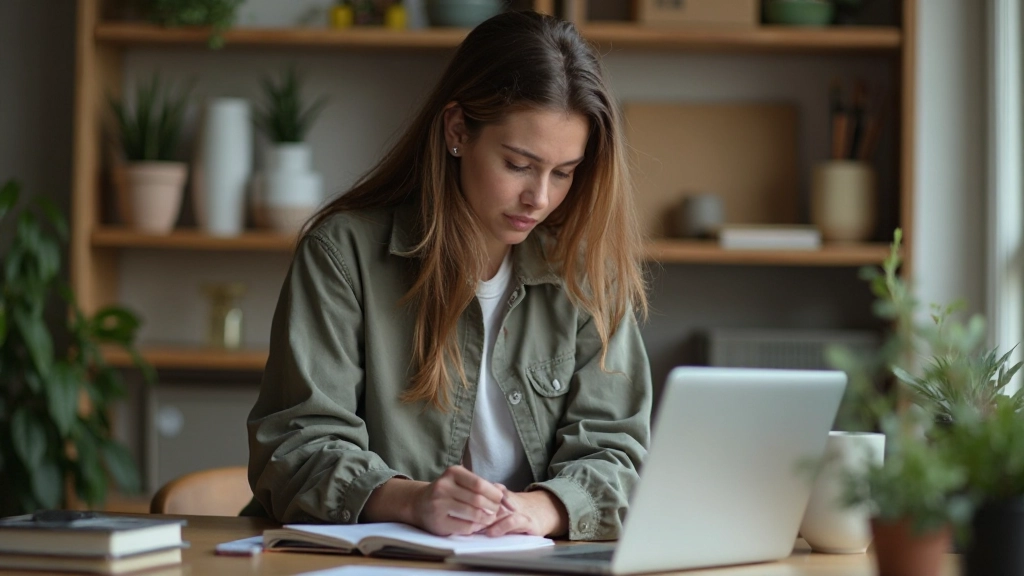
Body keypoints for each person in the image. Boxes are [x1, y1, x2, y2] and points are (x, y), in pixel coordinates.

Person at [244, 10, 652, 542]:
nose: (541, 197)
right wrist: (412, 502)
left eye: (564, 173)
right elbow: (294, 445)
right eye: (519, 164)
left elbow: (616, 451)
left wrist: (542, 510)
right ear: (458, 129)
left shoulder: (584, 273)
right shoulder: (343, 254)